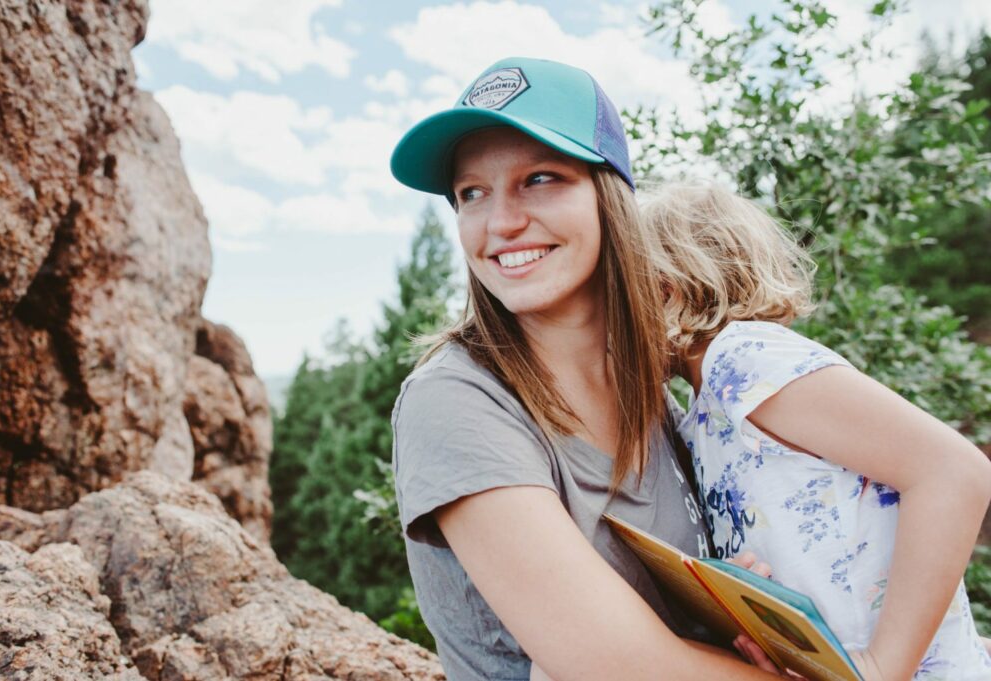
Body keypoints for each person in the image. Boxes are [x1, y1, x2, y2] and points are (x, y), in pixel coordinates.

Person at [388, 57, 777, 681]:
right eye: (471, 193)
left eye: (539, 178)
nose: (501, 222)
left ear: (609, 196)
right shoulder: (456, 401)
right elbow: (614, 666)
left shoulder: (652, 393)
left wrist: (731, 611)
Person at [639, 182, 991, 679]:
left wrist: (881, 666)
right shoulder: (702, 412)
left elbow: (955, 472)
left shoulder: (740, 357)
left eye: (613, 300)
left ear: (665, 291)